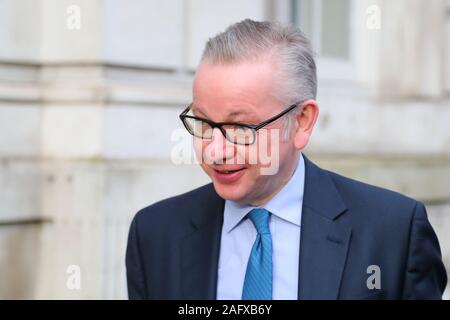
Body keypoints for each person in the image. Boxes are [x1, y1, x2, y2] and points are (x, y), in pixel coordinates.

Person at [126, 19, 447, 300]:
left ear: (302, 121)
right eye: (204, 123)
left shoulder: (392, 232)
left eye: (240, 127)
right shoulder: (155, 234)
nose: (215, 150)